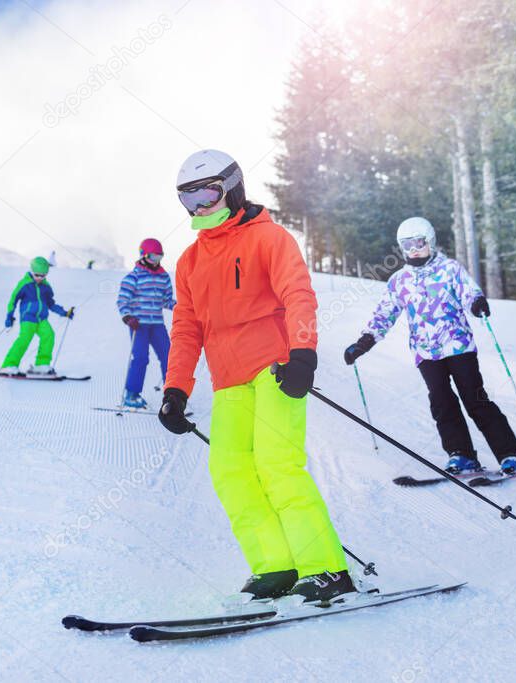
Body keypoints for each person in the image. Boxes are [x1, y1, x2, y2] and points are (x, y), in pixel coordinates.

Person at [158, 149, 353, 603]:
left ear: (232, 188)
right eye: (188, 200)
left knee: (277, 465)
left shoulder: (269, 239)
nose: (199, 208)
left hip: (275, 369)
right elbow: (186, 328)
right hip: (228, 380)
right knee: (229, 471)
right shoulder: (188, 262)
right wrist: (175, 389)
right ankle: (277, 566)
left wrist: (302, 354)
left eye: (207, 194)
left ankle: (326, 568)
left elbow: (298, 294)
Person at [344, 217, 516, 477]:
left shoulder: (450, 269)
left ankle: (510, 454)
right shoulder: (399, 280)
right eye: (407, 244)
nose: (414, 249)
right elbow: (384, 315)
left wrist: (476, 303)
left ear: (430, 241)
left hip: (458, 346)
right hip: (426, 353)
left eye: (418, 242)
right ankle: (462, 455)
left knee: (475, 399)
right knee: (442, 402)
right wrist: (363, 343)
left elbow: (468, 291)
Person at [116, 238, 175, 408]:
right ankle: (132, 395)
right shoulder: (133, 277)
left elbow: (166, 300)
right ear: (143, 255)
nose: (157, 261)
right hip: (139, 325)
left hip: (157, 324)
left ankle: (172, 396)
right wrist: (128, 317)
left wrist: (180, 306)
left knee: (169, 357)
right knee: (141, 358)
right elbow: (122, 301)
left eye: (159, 257)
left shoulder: (163, 277)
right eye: (153, 257)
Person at [0, 256, 74, 375]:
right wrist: (9, 315)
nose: (40, 278)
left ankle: (41, 365)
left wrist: (64, 313)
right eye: (37, 275)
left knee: (49, 335)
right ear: (32, 271)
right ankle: (9, 365)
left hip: (41, 318)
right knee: (24, 339)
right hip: (28, 317)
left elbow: (50, 304)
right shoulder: (25, 284)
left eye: (43, 275)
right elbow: (13, 300)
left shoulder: (46, 287)